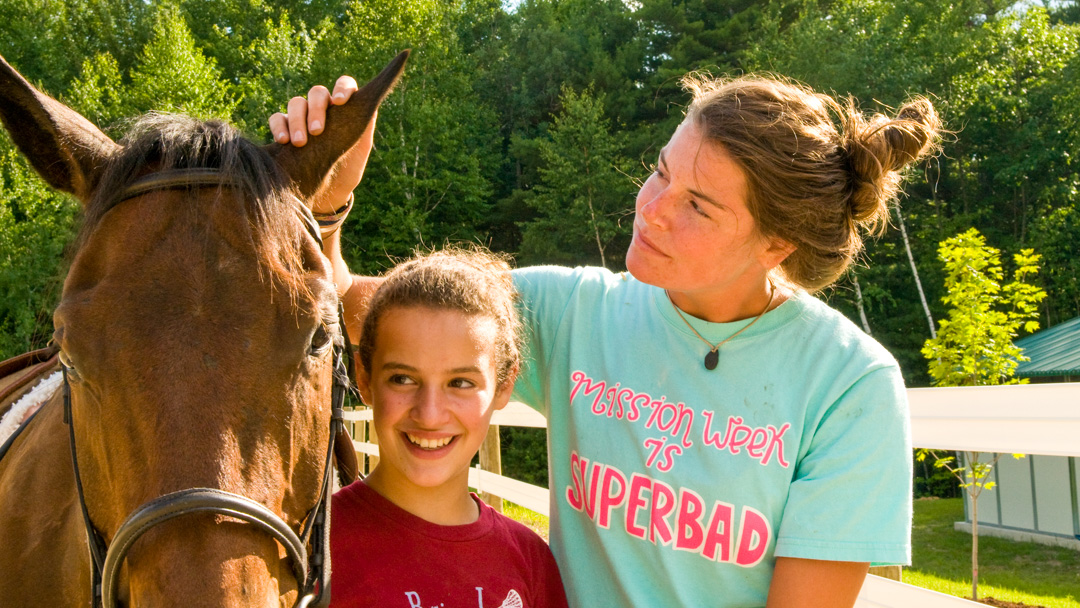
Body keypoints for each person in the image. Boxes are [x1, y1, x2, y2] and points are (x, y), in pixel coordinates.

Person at [272, 72, 941, 607]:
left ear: (776, 244)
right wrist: (326, 201)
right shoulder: (576, 312)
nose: (651, 208)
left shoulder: (848, 386)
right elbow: (354, 307)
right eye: (660, 172)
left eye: (697, 206)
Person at [328, 247, 569, 608]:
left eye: (460, 383)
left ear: (505, 384)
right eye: (403, 378)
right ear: (364, 378)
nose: (429, 414)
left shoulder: (528, 559)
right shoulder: (315, 548)